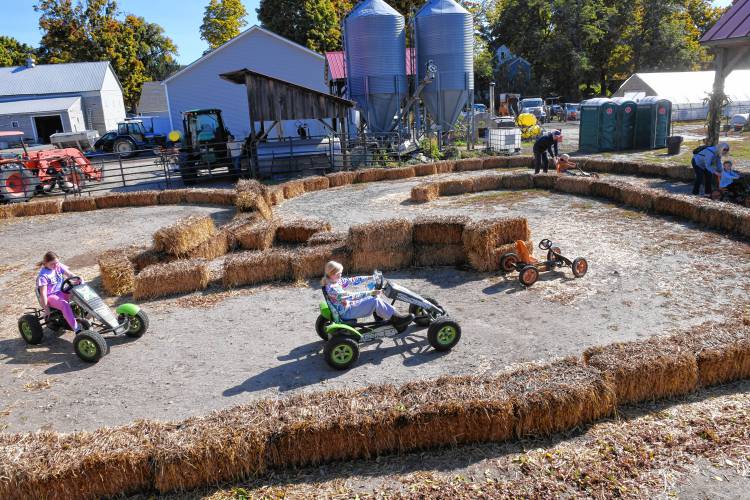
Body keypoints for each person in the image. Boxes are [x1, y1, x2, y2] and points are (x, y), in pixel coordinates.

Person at [321, 261, 413, 327]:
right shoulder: (333, 288)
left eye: (340, 273)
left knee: (374, 297)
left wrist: (370, 277)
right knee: (375, 300)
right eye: (338, 274)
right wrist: (371, 292)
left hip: (346, 307)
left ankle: (380, 318)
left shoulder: (333, 281)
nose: (340, 275)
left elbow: (352, 280)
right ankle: (398, 319)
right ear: (331, 273)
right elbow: (352, 296)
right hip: (347, 312)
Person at [36, 251, 80, 333]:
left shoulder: (58, 266)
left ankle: (87, 315)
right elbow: (43, 294)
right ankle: (77, 329)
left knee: (79, 290)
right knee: (64, 304)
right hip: (51, 297)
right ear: (45, 263)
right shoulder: (43, 276)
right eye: (52, 264)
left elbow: (70, 275)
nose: (55, 265)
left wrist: (78, 279)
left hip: (62, 291)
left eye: (57, 263)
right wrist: (46, 309)